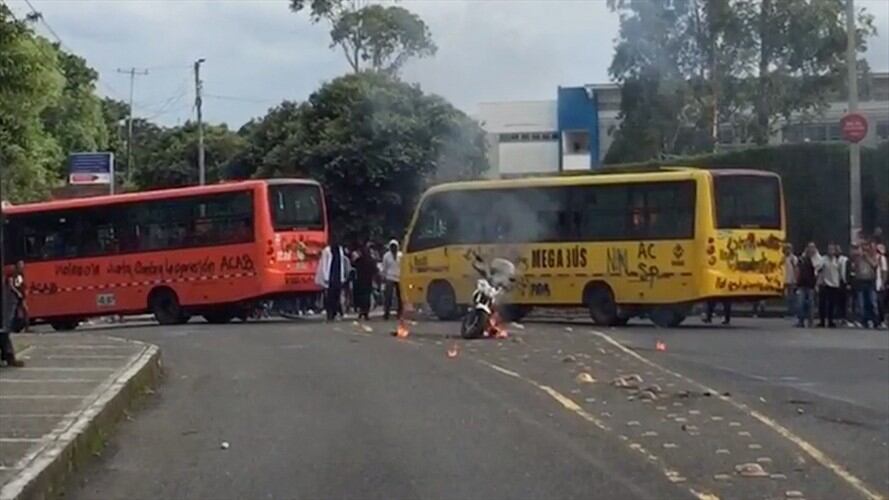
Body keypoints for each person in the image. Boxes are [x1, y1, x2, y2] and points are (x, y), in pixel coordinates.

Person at [315, 239, 351, 321]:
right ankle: (330, 313)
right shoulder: (327, 251)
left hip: (337, 276)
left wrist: (342, 277)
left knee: (336, 296)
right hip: (330, 276)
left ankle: (334, 312)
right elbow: (324, 264)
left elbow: (341, 264)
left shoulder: (340, 250)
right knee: (330, 297)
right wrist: (325, 277)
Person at [850, 240, 879, 328]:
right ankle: (862, 320)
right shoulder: (858, 257)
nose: (866, 249)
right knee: (861, 302)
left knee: (872, 301)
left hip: (870, 281)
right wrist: (859, 257)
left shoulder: (873, 257)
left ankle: (875, 320)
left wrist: (867, 258)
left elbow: (875, 265)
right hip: (860, 281)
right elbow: (854, 268)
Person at [796, 242, 820, 328]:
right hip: (801, 284)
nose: (811, 249)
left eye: (812, 248)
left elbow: (818, 272)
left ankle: (811, 322)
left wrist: (817, 284)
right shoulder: (802, 258)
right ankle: (800, 321)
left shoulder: (817, 259)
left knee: (811, 304)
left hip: (811, 285)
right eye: (809, 247)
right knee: (800, 304)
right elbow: (798, 269)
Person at [817, 244, 841, 328]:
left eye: (832, 249)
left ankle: (831, 321)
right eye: (829, 249)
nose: (831, 251)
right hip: (824, 283)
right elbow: (818, 269)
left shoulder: (837, 260)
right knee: (822, 303)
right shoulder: (823, 259)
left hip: (834, 284)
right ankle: (822, 321)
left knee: (832, 304)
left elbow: (840, 271)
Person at [352, 243, 378, 320]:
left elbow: (354, 264)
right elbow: (375, 270)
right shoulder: (370, 260)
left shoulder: (360, 260)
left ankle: (362, 311)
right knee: (366, 297)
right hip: (367, 281)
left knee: (362, 297)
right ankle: (365, 312)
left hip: (361, 281)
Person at [381, 239, 403, 321]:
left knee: (400, 296)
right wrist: (383, 276)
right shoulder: (386, 256)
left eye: (395, 246)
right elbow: (384, 267)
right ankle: (386, 313)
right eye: (392, 246)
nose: (394, 248)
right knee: (388, 296)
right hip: (389, 277)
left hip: (399, 277)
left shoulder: (401, 255)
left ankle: (400, 312)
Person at [9, 261, 28, 333]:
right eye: (21, 265)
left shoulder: (20, 274)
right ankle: (14, 327)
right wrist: (17, 292)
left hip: (21, 295)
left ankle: (25, 327)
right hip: (15, 295)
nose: (22, 266)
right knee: (15, 311)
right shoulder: (13, 274)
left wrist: (25, 290)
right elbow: (11, 285)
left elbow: (21, 284)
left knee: (25, 310)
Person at [783, 243, 799, 319]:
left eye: (789, 248)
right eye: (786, 248)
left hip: (792, 280)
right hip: (785, 280)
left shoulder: (794, 258)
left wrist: (796, 279)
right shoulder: (783, 258)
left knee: (792, 298)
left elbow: (796, 269)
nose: (787, 250)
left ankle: (793, 313)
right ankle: (789, 312)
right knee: (787, 298)